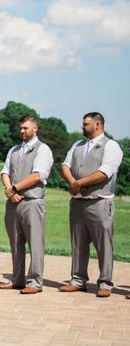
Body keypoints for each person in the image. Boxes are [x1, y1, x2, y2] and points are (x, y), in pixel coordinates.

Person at [59, 112, 123, 298]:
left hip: (100, 202)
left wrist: (79, 184)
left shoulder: (111, 146)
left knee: (103, 245)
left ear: (97, 125)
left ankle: (105, 283)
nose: (82, 127)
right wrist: (72, 182)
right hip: (78, 203)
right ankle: (78, 280)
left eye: (86, 124)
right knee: (78, 244)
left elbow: (105, 173)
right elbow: (65, 165)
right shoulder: (77, 145)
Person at [0, 115, 53, 295]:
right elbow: (5, 172)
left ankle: (35, 282)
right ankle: (17, 279)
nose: (22, 131)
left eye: (26, 128)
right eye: (21, 128)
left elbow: (37, 176)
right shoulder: (13, 150)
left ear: (35, 128)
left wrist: (14, 188)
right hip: (12, 203)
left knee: (35, 243)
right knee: (15, 243)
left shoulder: (43, 150)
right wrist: (9, 190)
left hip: (32, 202)